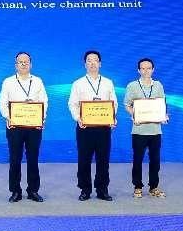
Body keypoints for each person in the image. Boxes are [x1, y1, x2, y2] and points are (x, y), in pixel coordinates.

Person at [67, 50, 117, 201]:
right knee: (84, 159)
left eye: (95, 60)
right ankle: (85, 189)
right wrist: (78, 118)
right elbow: (72, 104)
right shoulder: (78, 83)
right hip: (85, 128)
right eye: (89, 60)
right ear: (85, 64)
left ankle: (102, 190)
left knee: (103, 159)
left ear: (100, 64)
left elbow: (113, 103)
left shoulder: (108, 82)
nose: (92, 63)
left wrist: (112, 117)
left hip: (103, 128)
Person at [0, 51, 48, 203]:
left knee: (33, 159)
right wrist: (8, 117)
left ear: (31, 64)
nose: (24, 64)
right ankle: (15, 191)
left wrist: (41, 118)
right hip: (15, 127)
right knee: (15, 159)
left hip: (34, 126)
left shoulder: (38, 81)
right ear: (16, 65)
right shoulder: (8, 82)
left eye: (26, 61)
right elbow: (3, 103)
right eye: (20, 62)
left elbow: (44, 102)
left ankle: (33, 190)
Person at [124, 57, 168, 198]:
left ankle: (153, 187)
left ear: (153, 70)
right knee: (137, 160)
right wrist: (134, 115)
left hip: (155, 130)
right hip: (139, 130)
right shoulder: (132, 86)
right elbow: (127, 104)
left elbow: (162, 104)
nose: (146, 71)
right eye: (143, 68)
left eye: (148, 68)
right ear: (138, 70)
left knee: (155, 160)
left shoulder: (158, 85)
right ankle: (137, 186)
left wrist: (164, 116)